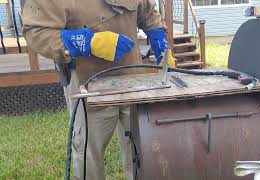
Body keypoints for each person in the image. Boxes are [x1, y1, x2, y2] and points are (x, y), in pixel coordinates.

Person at [22, 0, 175, 179]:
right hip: (87, 83)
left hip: (132, 77)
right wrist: (88, 42)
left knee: (142, 145)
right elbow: (36, 32)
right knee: (89, 152)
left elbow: (148, 12)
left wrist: (159, 40)